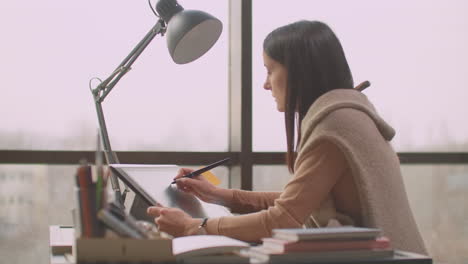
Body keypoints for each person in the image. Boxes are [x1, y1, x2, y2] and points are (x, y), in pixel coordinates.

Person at [147, 20, 427, 254]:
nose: (266, 84)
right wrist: (220, 195)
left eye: (270, 70)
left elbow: (283, 218)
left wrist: (192, 227)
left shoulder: (335, 126)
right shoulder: (347, 117)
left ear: (300, 72)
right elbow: (298, 201)